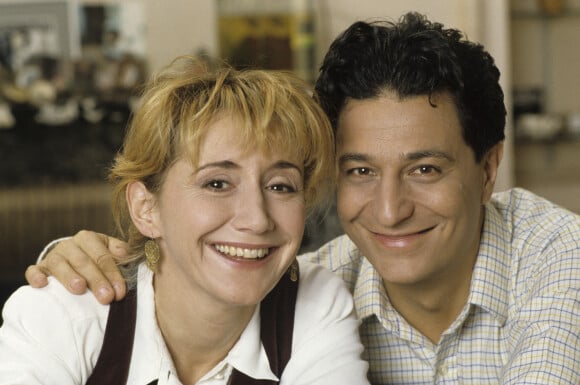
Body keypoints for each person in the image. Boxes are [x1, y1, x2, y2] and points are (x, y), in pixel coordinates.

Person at [23, 12, 580, 384]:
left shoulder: (557, 256)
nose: (389, 209)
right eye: (360, 170)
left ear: (488, 169)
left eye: (425, 169)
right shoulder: (317, 281)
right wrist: (76, 262)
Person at [0, 56, 370, 384]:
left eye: (280, 186)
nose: (257, 219)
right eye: (217, 183)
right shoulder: (62, 315)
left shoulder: (314, 303)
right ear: (146, 209)